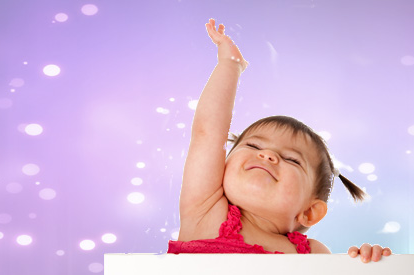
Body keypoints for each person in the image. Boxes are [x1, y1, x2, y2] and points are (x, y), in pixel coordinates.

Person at [167, 18, 392, 263]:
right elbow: (207, 133)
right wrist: (229, 66)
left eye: (291, 159)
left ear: (309, 211)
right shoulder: (205, 210)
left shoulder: (313, 253)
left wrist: (369, 263)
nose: (267, 155)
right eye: (253, 145)